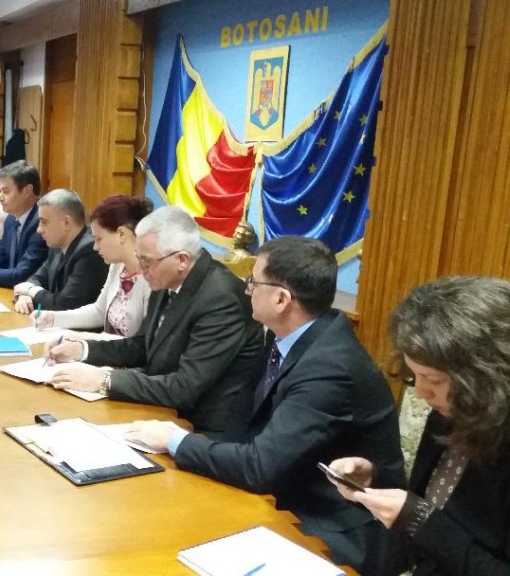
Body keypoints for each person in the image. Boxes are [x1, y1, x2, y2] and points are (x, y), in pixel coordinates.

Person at [126, 236, 405, 575]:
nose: (246, 290)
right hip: (281, 492)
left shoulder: (330, 367)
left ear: (281, 299)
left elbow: (260, 466)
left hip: (333, 523)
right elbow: (243, 422)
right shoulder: (286, 334)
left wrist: (175, 440)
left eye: (253, 282)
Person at [328, 276, 510, 575]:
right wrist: (374, 483)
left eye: (433, 380)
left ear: (487, 376)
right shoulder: (449, 412)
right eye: (415, 376)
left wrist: (418, 520)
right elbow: (431, 508)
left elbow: (432, 525)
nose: (421, 393)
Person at [45, 205, 262, 437]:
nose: (140, 269)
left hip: (204, 430)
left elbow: (184, 388)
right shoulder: (166, 276)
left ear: (181, 259)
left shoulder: (220, 299)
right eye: (139, 258)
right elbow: (141, 345)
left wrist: (104, 380)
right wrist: (81, 350)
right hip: (162, 410)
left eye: (146, 261)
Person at [36, 194, 153, 337]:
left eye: (99, 239)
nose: (95, 247)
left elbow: (141, 343)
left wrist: (85, 340)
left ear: (121, 234)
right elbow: (99, 311)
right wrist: (54, 318)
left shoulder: (151, 278)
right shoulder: (117, 266)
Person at [11, 189, 108, 314]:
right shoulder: (57, 245)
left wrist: (30, 291)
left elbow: (64, 305)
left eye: (44, 222)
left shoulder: (89, 251)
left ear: (66, 223)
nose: (39, 230)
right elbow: (37, 278)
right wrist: (25, 295)